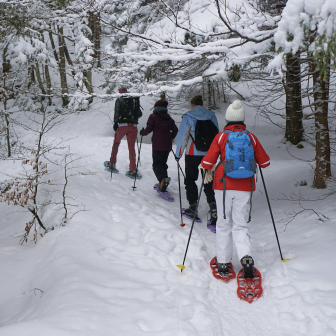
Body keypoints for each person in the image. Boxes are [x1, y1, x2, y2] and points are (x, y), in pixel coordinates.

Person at [200, 100, 270, 276]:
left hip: (222, 186)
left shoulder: (222, 137)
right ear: (242, 119)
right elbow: (265, 162)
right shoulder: (251, 137)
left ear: (228, 118)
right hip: (245, 186)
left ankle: (223, 262)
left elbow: (207, 162)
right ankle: (246, 257)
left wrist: (207, 166)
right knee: (240, 224)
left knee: (224, 224)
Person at [175, 95, 219, 225]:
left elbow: (183, 137)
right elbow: (217, 135)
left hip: (192, 154)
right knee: (208, 180)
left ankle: (193, 207)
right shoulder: (211, 116)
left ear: (193, 104)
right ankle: (213, 207)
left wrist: (178, 154)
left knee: (190, 179)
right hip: (209, 155)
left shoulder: (188, 116)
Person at [140, 100, 178, 191]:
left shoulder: (153, 116)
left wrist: (143, 133)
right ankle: (163, 181)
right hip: (167, 144)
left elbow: (149, 128)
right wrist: (170, 137)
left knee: (157, 164)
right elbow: (175, 129)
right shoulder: (169, 118)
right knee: (163, 163)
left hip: (158, 144)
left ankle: (162, 179)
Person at [105, 88, 142, 179]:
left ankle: (112, 163)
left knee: (116, 143)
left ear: (120, 93)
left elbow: (117, 112)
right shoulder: (133, 100)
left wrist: (115, 123)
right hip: (133, 126)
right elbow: (140, 114)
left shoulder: (120, 99)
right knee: (131, 147)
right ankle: (133, 170)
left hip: (122, 125)